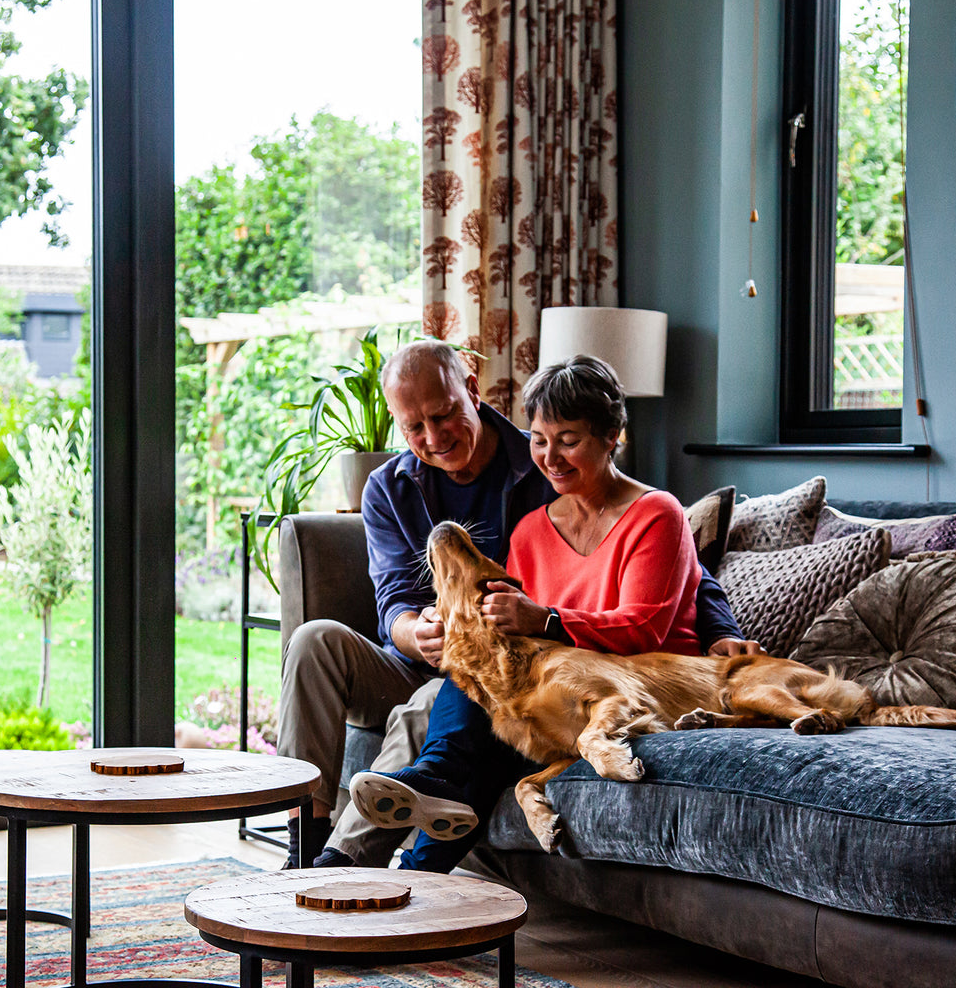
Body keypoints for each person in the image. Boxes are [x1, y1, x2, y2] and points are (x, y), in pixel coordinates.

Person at [277, 341, 754, 867]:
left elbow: (683, 566)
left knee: (456, 697)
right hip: (427, 660)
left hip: (511, 668)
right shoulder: (394, 489)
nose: (434, 438)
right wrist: (415, 632)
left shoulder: (546, 468)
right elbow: (393, 598)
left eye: (444, 415)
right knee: (315, 641)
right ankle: (303, 847)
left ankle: (347, 865)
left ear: (473, 390)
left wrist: (721, 631)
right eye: (414, 428)